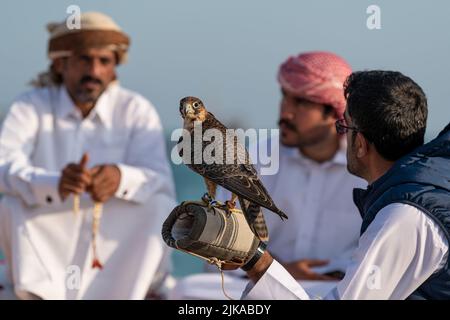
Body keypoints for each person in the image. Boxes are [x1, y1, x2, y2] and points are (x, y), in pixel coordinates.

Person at [0, 12, 176, 299]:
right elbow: (4, 167)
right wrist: (53, 182)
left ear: (115, 68)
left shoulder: (135, 109)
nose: (94, 71)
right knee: (12, 203)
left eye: (104, 61)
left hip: (113, 228)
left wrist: (120, 177)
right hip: (50, 225)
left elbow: (159, 179)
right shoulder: (30, 107)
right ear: (61, 64)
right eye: (84, 59)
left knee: (159, 205)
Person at [241, 70, 450, 299]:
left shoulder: (402, 216)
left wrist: (256, 262)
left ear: (360, 144)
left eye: (343, 126)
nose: (341, 135)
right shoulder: (426, 188)